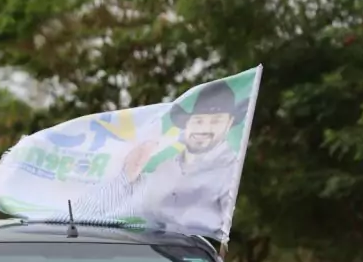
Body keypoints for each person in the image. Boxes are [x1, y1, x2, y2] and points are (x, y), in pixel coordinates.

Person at [70, 79, 249, 238]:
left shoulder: (229, 174)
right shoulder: (163, 169)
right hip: (145, 259)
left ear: (229, 123)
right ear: (186, 124)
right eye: (198, 121)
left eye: (215, 121)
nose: (204, 129)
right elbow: (94, 212)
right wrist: (127, 175)